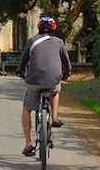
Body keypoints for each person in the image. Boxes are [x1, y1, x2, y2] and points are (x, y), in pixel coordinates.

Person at [16, 16, 71, 157]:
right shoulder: (59, 42)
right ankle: (54, 118)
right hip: (53, 80)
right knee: (56, 89)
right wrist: (66, 74)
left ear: (39, 28)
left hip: (34, 81)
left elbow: (23, 60)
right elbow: (66, 61)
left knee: (27, 109)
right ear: (54, 29)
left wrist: (20, 72)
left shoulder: (32, 41)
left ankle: (28, 143)